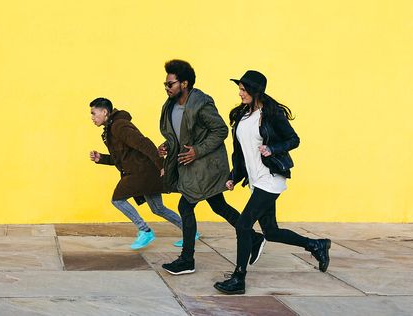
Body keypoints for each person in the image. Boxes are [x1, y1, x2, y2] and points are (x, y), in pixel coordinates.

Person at [214, 70, 331, 295]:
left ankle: (239, 277)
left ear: (256, 91)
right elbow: (240, 153)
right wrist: (233, 177)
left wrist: (272, 149)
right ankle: (316, 245)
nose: (240, 93)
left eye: (243, 89)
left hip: (271, 178)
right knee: (271, 232)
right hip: (256, 180)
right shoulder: (241, 115)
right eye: (239, 89)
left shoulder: (271, 113)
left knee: (243, 225)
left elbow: (293, 139)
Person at [158, 60, 265, 275]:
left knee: (185, 206)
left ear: (185, 83)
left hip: (205, 166)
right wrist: (167, 146)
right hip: (188, 167)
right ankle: (253, 237)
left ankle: (187, 259)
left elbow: (220, 130)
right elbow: (179, 135)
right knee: (218, 205)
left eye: (171, 84)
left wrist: (197, 150)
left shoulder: (201, 103)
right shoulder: (170, 106)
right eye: (166, 84)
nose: (167, 88)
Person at [89, 97, 184, 250]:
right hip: (143, 171)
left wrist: (161, 165)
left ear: (105, 112)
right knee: (158, 208)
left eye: (94, 113)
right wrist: (102, 158)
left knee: (117, 199)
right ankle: (190, 232)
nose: (92, 118)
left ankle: (144, 230)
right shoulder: (110, 129)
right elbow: (121, 158)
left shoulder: (119, 126)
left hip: (142, 172)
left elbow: (144, 143)